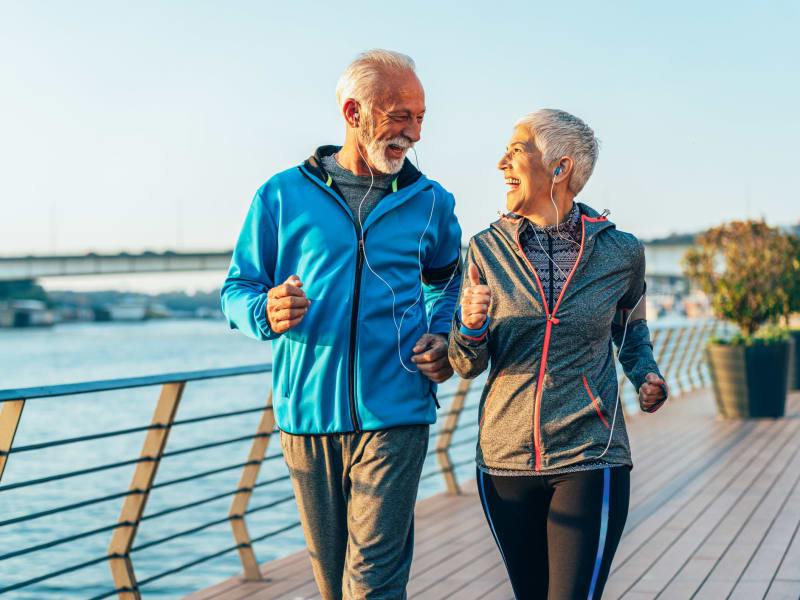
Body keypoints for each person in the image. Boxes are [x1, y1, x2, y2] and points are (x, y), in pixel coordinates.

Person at [220, 49, 462, 600]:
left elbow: (448, 280)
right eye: (399, 115)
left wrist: (443, 335)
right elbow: (236, 290)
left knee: (372, 583)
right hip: (306, 418)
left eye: (420, 117)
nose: (413, 132)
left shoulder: (432, 202)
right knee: (335, 586)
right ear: (354, 113)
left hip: (397, 411)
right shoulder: (281, 195)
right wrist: (265, 311)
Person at [448, 109, 668, 599]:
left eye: (516, 150)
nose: (502, 162)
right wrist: (471, 326)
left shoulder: (622, 252)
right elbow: (465, 363)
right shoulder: (484, 249)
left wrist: (646, 375)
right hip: (505, 461)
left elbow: (631, 333)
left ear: (560, 168)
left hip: (592, 452)